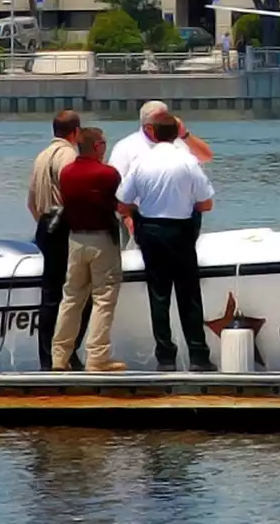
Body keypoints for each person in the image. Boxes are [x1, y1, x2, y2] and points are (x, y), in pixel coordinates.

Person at [116, 111, 216, 371]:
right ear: (175, 133)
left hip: (151, 232)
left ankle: (165, 357)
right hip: (181, 231)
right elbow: (206, 203)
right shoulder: (187, 161)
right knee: (189, 295)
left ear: (152, 132)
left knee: (158, 296)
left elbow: (122, 203)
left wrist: (139, 212)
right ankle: (198, 355)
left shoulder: (141, 162)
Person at [50, 127, 125, 372]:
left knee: (71, 298)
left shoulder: (67, 172)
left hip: (75, 240)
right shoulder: (108, 174)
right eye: (103, 143)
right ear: (96, 146)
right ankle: (98, 357)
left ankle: (59, 358)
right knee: (103, 298)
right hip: (102, 240)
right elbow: (120, 204)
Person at [27, 110, 82, 370]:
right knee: (74, 294)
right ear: (75, 132)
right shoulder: (69, 155)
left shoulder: (40, 157)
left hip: (44, 226)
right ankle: (66, 354)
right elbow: (73, 194)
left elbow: (31, 201)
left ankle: (46, 358)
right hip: (64, 229)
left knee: (49, 295)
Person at [109, 100, 213, 180]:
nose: (167, 124)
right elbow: (115, 182)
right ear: (148, 127)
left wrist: (185, 135)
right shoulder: (125, 148)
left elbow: (206, 157)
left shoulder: (181, 141)